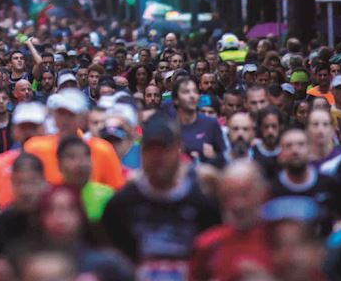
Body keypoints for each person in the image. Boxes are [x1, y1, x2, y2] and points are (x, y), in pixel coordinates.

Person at [100, 115, 220, 274]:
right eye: (151, 149)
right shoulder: (123, 204)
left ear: (178, 150)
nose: (158, 157)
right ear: (142, 153)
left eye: (164, 149)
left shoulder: (202, 202)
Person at [22, 89, 124, 190]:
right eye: (61, 113)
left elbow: (116, 193)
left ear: (84, 118)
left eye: (71, 114)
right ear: (54, 116)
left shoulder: (102, 150)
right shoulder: (35, 148)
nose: (65, 119)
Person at [190, 161, 273, 281]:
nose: (236, 204)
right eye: (229, 196)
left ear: (263, 194)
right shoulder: (207, 244)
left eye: (244, 194)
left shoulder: (280, 242)